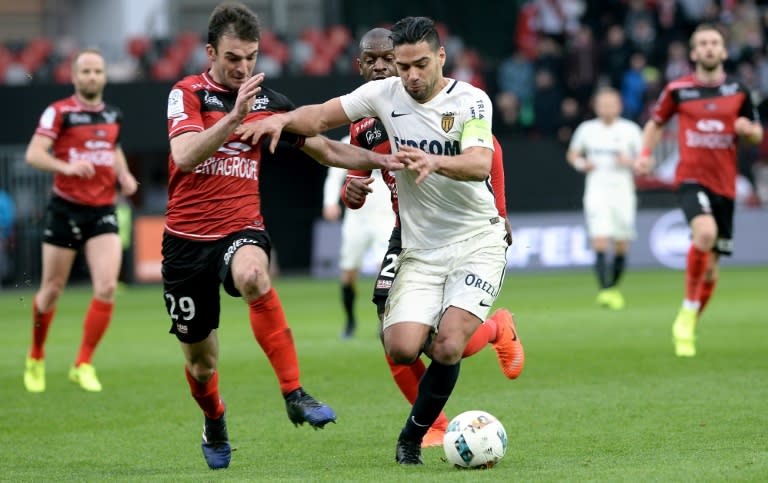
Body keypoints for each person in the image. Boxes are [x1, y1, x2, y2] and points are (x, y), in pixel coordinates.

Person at [237, 16, 512, 465]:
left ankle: (413, 438)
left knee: (445, 344)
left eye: (419, 65)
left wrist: (437, 164)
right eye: (402, 67)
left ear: (440, 57)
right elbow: (321, 117)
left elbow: (482, 162)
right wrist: (282, 120)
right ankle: (483, 338)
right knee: (401, 348)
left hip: (475, 239)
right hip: (419, 247)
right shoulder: (381, 98)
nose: (410, 76)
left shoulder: (471, 101)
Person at [163, 3, 400, 470]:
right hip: (186, 241)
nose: (242, 67)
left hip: (240, 226)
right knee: (201, 364)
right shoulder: (187, 93)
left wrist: (384, 160)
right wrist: (234, 119)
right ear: (210, 52)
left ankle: (294, 392)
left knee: (254, 275)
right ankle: (214, 418)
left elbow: (327, 147)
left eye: (250, 57)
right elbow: (185, 155)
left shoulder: (269, 100)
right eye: (233, 57)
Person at [339, 27, 525, 449]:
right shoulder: (364, 117)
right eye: (374, 60)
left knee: (443, 339)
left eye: (392, 59)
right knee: (400, 339)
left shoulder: (440, 102)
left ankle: (436, 419)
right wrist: (350, 192)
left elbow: (487, 152)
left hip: (462, 228)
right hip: (408, 232)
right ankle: (441, 413)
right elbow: (357, 178)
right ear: (361, 66)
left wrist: (501, 212)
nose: (384, 67)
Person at [634, 24, 762, 357]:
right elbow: (656, 123)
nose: (708, 48)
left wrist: (749, 131)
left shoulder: (739, 90)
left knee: (712, 269)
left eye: (714, 43)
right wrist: (645, 155)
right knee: (704, 233)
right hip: (691, 178)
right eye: (702, 43)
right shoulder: (678, 90)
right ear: (693, 53)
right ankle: (689, 310)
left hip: (725, 185)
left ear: (723, 51)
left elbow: (757, 133)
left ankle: (688, 318)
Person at [22, 48, 138, 394]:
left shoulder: (113, 113)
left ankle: (83, 363)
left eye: (97, 71)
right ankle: (36, 355)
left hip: (102, 209)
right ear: (74, 76)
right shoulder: (59, 112)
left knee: (106, 287)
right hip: (66, 207)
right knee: (52, 289)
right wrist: (66, 167)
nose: (91, 77)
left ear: (104, 76)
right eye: (85, 71)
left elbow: (113, 147)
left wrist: (125, 174)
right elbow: (33, 154)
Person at [567, 87, 643, 310]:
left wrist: (629, 162)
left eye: (612, 104)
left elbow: (645, 163)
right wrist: (583, 164)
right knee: (599, 239)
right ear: (596, 107)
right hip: (596, 189)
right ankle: (605, 290)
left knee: (621, 242)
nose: (607, 108)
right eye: (603, 104)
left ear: (619, 106)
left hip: (622, 190)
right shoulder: (587, 129)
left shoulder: (630, 130)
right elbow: (572, 154)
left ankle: (612, 287)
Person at [322, 145, 394, 339]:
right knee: (348, 275)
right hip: (356, 219)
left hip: (385, 216)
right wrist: (329, 202)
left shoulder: (391, 139)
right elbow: (334, 175)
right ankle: (350, 321)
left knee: (385, 271)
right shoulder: (349, 142)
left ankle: (386, 321)